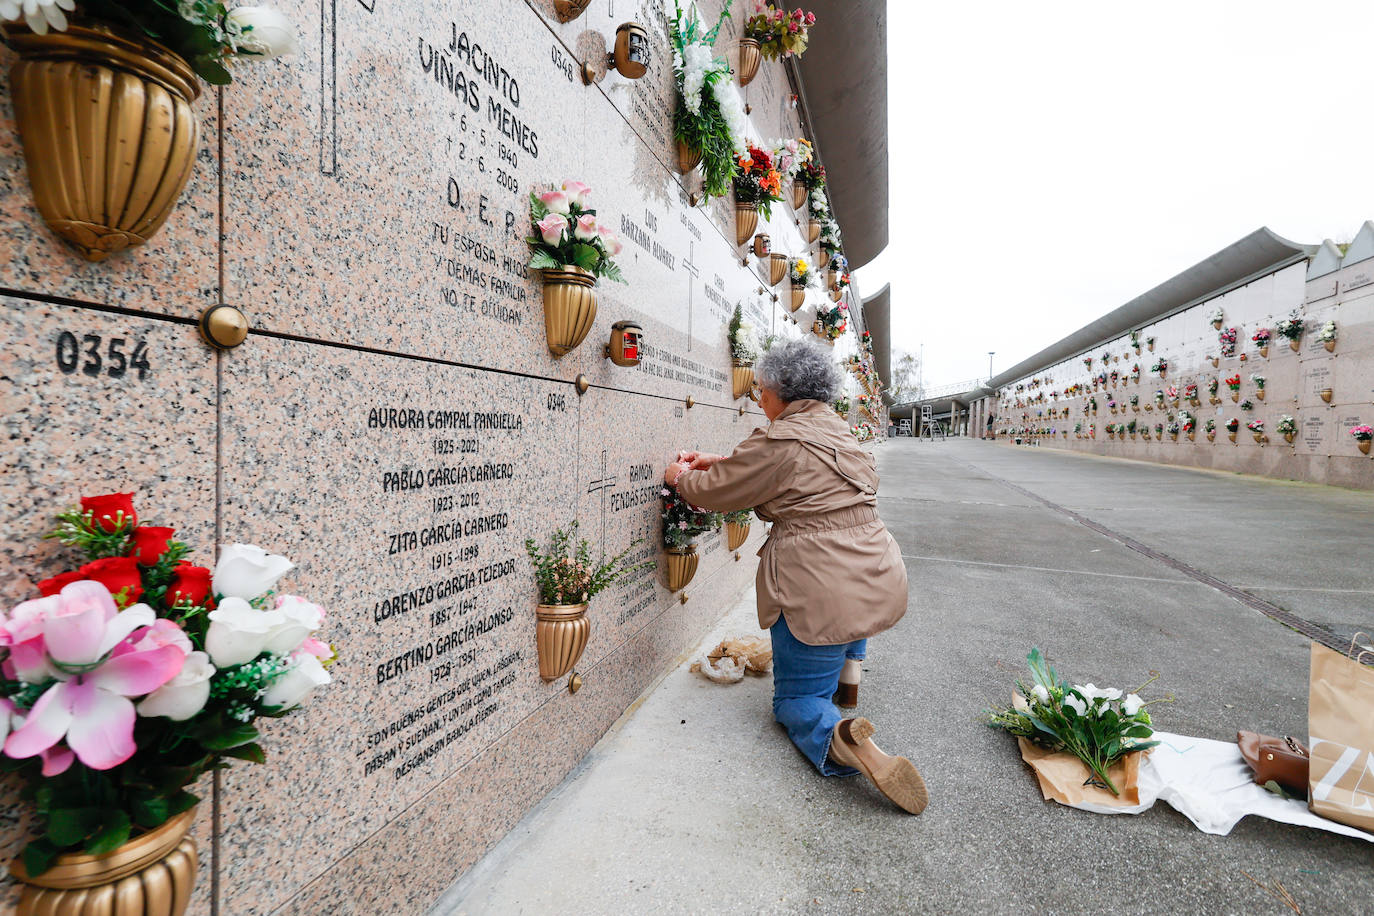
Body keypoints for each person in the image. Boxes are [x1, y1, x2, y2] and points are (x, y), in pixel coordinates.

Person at [665, 339, 925, 814]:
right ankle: (849, 675)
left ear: (781, 392)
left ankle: (845, 740)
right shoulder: (838, 431)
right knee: (849, 614)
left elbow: (716, 492)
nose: (758, 400)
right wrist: (724, 460)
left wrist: (679, 477)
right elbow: (801, 476)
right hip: (875, 573)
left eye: (761, 391)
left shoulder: (778, 439)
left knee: (795, 700)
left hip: (819, 584)